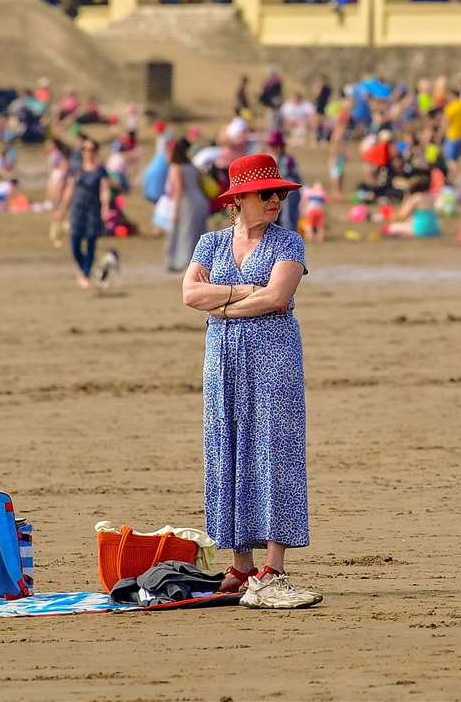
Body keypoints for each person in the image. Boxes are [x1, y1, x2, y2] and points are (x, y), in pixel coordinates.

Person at [180, 153, 319, 610]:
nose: (276, 199)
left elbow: (279, 297)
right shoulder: (210, 243)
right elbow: (188, 294)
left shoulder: (288, 243)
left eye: (279, 192)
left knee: (275, 447)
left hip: (273, 358)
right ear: (239, 199)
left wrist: (218, 306)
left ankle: (273, 564)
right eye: (267, 192)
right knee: (229, 447)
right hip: (221, 362)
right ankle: (241, 563)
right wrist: (243, 294)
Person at [60, 137, 111, 289]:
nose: (87, 152)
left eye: (90, 149)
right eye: (85, 149)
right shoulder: (77, 169)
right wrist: (61, 210)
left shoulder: (100, 170)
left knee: (91, 242)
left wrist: (105, 207)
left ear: (95, 151)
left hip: (93, 209)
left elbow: (104, 191)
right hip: (77, 208)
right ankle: (84, 269)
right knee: (75, 242)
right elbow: (69, 190)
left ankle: (84, 274)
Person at [163, 138, 209, 273]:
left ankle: (184, 262)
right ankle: (199, 262)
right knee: (198, 232)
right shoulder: (192, 166)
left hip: (187, 202)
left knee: (185, 233)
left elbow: (178, 190)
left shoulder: (176, 167)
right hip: (200, 201)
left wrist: (175, 211)